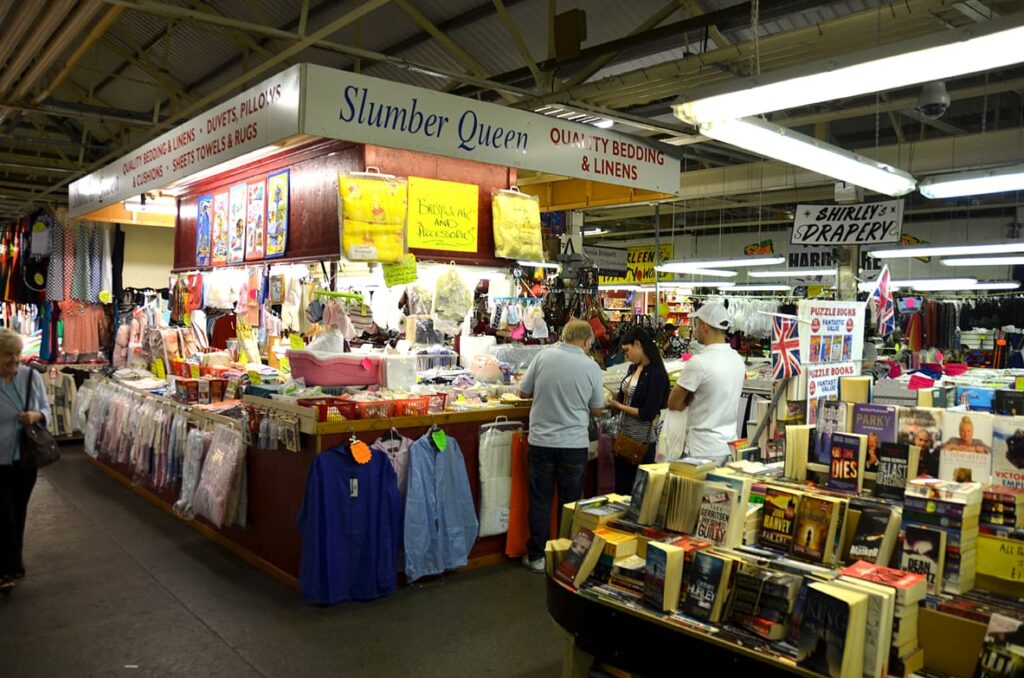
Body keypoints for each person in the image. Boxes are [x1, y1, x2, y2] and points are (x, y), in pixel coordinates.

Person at [517, 319, 604, 573]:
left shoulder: (543, 357)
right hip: (574, 445)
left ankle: (537, 557)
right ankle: (566, 556)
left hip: (541, 441)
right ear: (587, 341)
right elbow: (597, 409)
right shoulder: (591, 367)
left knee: (540, 501)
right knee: (570, 503)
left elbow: (523, 392)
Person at [0, 329, 51, 592]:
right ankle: (5, 568)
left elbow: (46, 412)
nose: (14, 360)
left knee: (18, 511)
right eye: (8, 355)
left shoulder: (31, 377)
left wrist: (35, 416)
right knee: (4, 514)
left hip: (25, 458)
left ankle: (13, 562)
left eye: (17, 354)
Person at [667, 303, 744, 462]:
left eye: (696, 324)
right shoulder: (737, 359)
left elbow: (673, 403)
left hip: (701, 449)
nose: (694, 330)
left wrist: (689, 400)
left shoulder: (699, 363)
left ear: (705, 326)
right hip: (729, 446)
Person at [608, 328, 670, 494]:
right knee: (621, 491)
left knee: (638, 494)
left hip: (640, 443)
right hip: (623, 439)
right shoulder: (632, 369)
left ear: (638, 344)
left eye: (627, 350)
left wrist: (620, 407)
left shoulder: (656, 375)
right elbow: (624, 397)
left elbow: (647, 413)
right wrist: (609, 396)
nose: (626, 355)